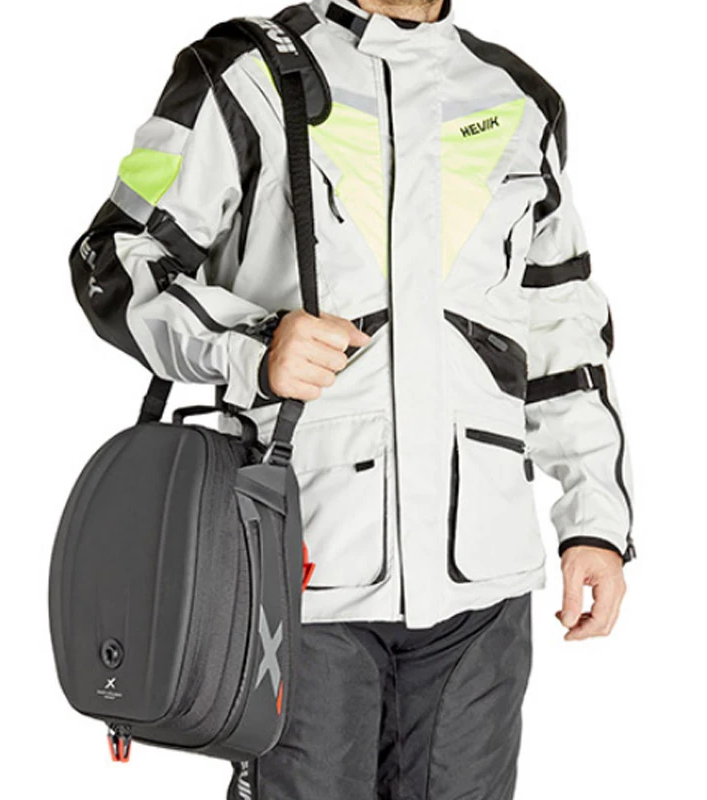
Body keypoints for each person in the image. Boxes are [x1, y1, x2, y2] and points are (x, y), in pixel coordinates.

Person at [69, 1, 634, 797]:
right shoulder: (244, 75)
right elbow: (113, 260)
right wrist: (254, 343)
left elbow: (560, 328)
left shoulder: (517, 99)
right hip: (298, 580)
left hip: (482, 593)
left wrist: (596, 521)